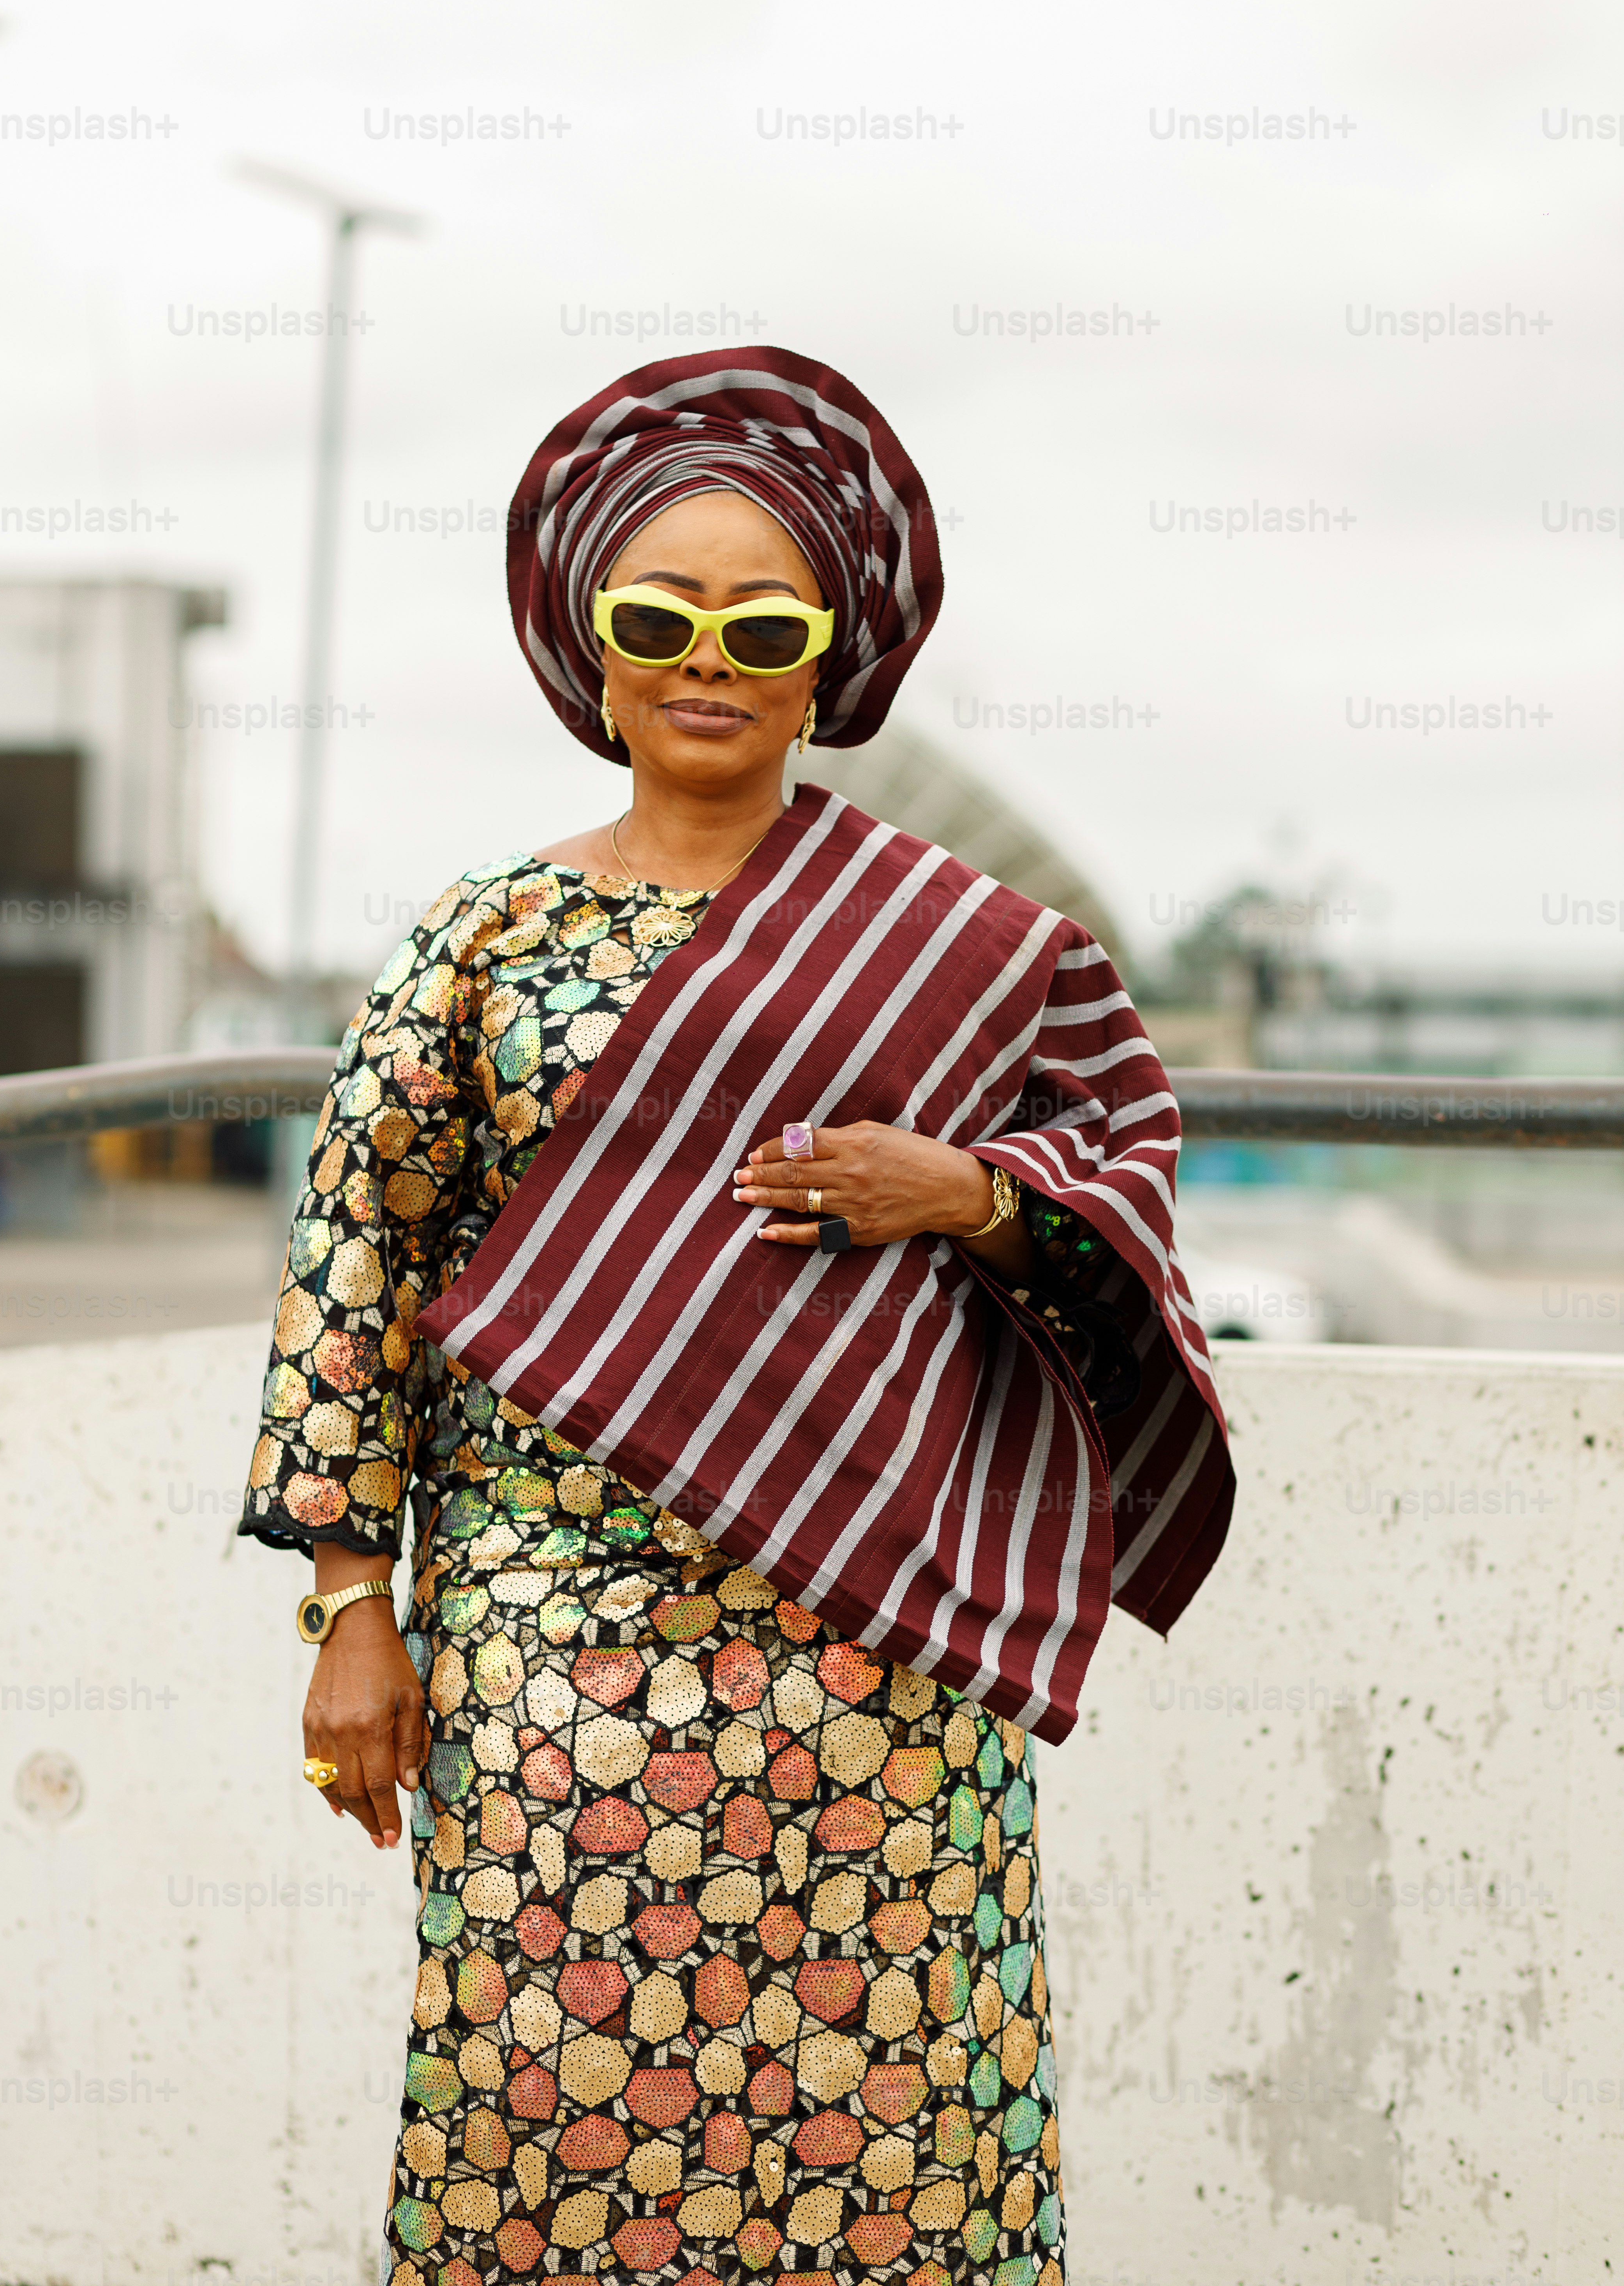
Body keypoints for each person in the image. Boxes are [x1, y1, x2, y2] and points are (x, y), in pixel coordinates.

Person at [242, 346, 1233, 2286]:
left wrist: (972, 1194)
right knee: (539, 2100)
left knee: (897, 2127)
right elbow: (353, 1269)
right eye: (658, 614)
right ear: (587, 642)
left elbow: (1123, 1185)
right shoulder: (483, 943)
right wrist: (354, 1616)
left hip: (878, 1635)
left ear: (829, 661)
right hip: (549, 1636)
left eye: (762, 622)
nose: (709, 657)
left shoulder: (963, 942)